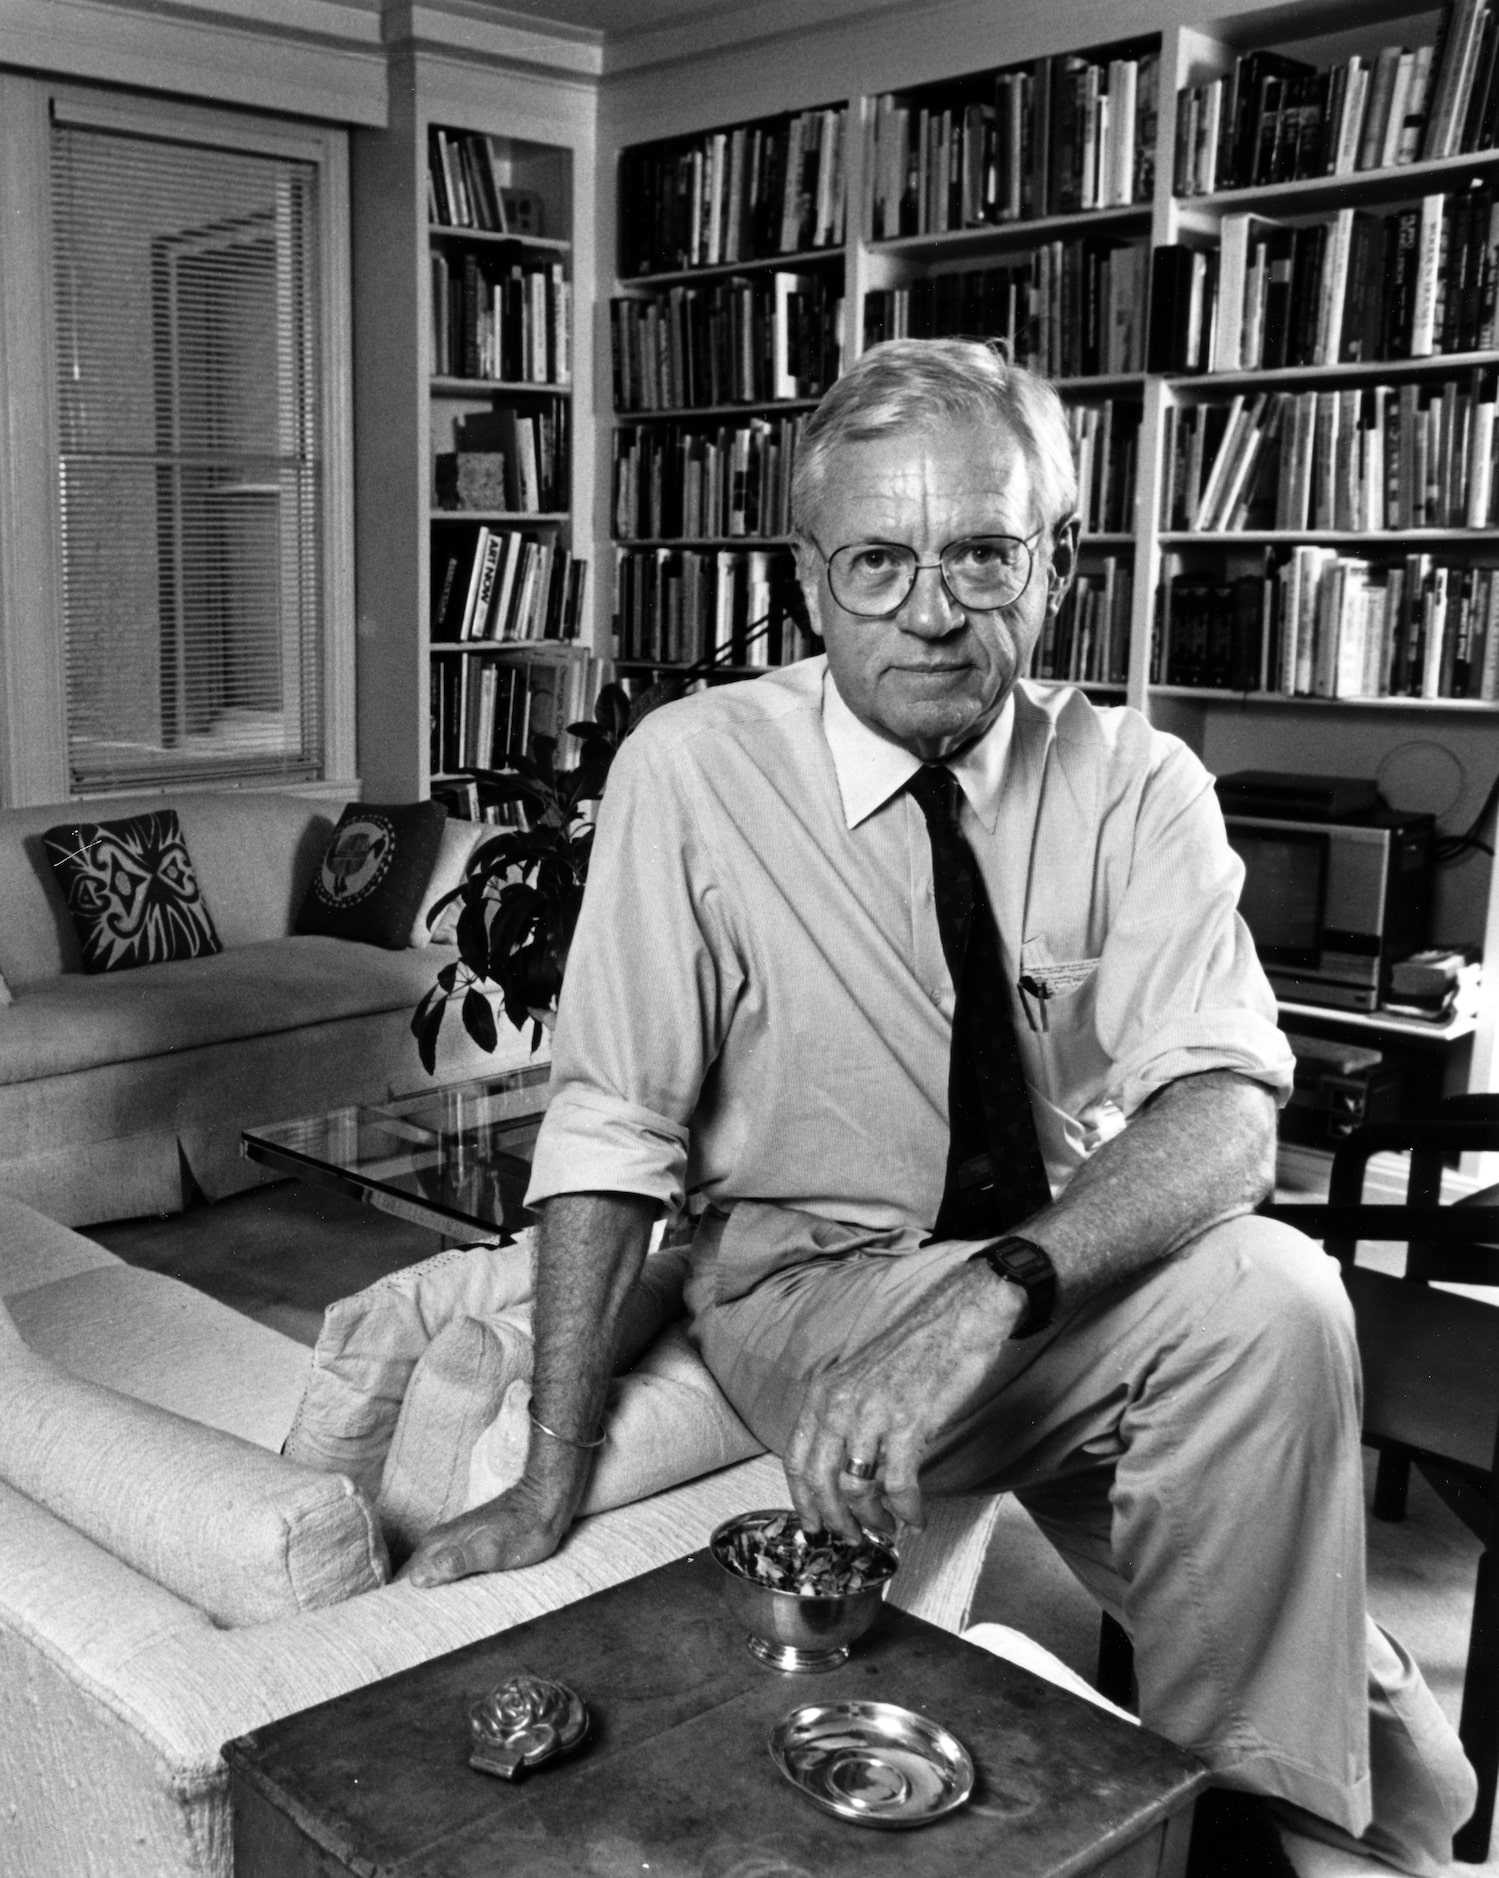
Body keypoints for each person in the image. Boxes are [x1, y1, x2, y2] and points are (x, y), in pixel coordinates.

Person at [405, 339, 1475, 1874]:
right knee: (1278, 1297)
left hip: (1060, 1288)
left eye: (981, 554)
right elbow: (610, 1130)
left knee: (1338, 1676)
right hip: (809, 1290)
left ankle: (1324, 1821)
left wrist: (990, 1297)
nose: (927, 609)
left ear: (1062, 566)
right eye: (879, 559)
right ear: (809, 572)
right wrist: (545, 1472)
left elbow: (1230, 1112)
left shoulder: (1135, 780)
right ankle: (1301, 1839)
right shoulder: (692, 773)